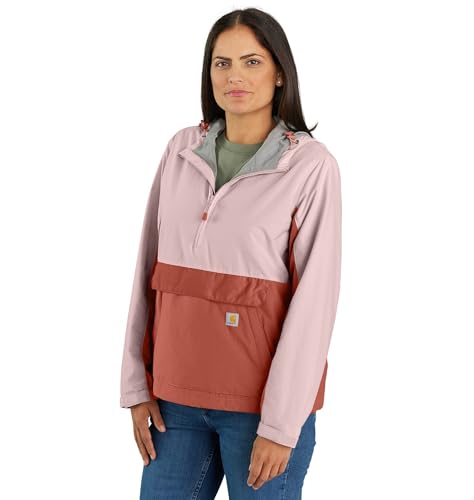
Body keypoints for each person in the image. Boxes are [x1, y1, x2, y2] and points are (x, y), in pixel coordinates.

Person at [119, 7, 342, 499]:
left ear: (279, 72)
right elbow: (147, 273)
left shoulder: (309, 166)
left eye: (251, 62)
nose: (234, 76)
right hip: (173, 402)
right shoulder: (181, 150)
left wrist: (281, 424)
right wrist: (136, 384)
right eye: (222, 63)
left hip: (261, 411)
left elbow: (315, 304)